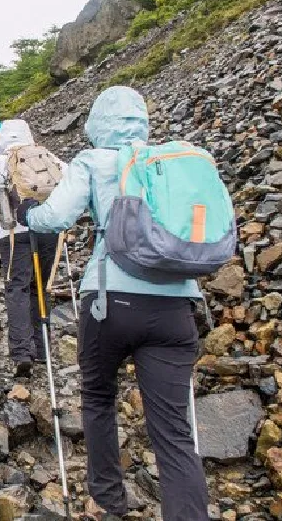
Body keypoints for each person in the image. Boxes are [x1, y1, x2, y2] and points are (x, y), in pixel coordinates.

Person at [16, 86, 210, 521]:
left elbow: (57, 217)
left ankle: (108, 502)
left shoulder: (94, 161)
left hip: (111, 300)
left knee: (99, 396)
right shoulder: (170, 162)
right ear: (141, 119)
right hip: (177, 305)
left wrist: (27, 212)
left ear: (97, 122)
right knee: (176, 433)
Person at [0, 120, 60, 378]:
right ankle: (43, 349)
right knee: (41, 286)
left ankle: (22, 352)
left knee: (17, 287)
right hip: (47, 230)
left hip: (12, 234)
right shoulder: (45, 155)